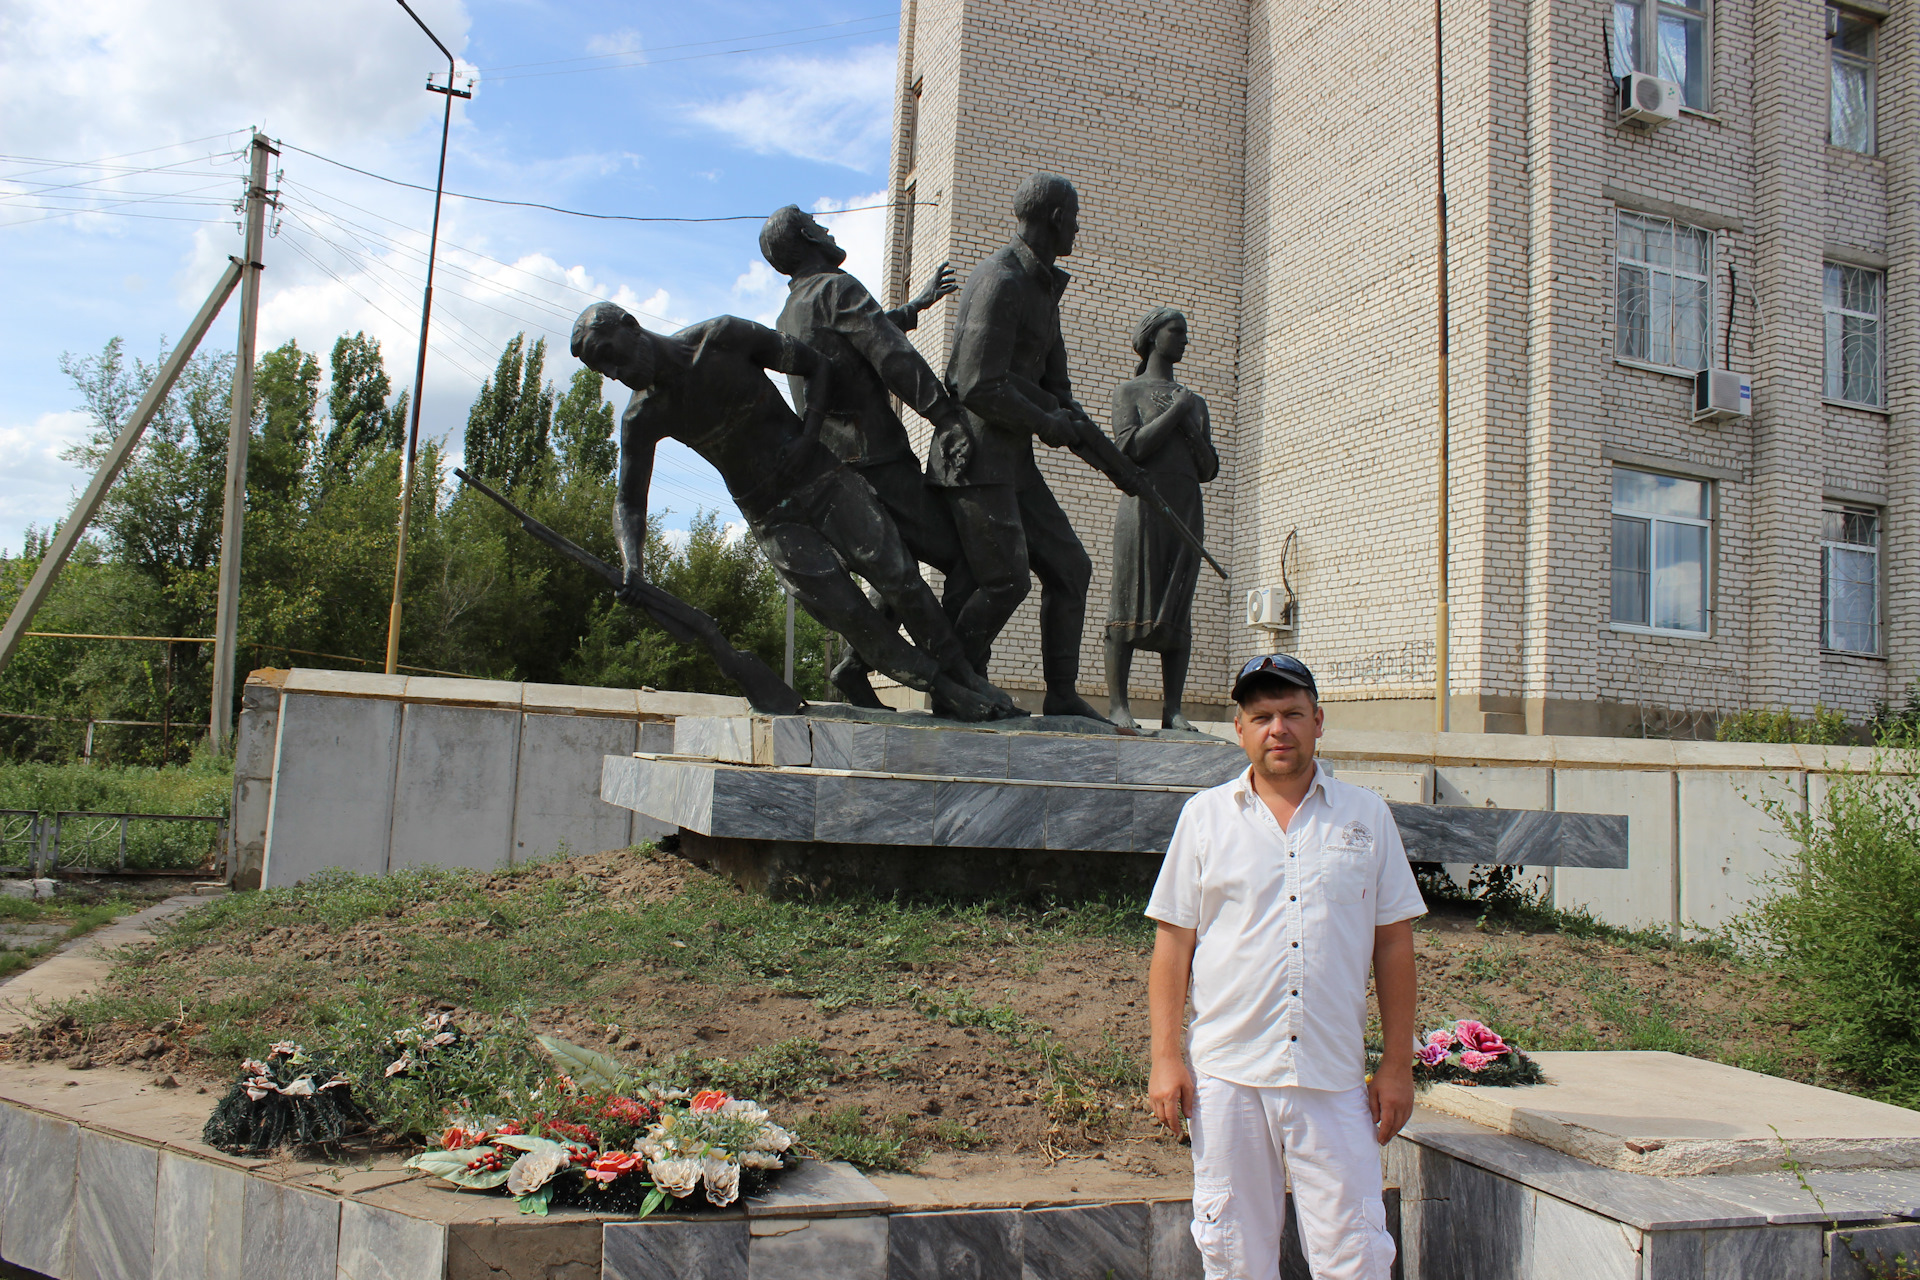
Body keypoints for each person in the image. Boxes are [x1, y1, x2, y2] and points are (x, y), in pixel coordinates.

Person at [569, 301, 1019, 722]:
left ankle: (964, 675)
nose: (613, 372)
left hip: (822, 478)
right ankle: (946, 687)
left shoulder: (722, 338)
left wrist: (810, 434)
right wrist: (633, 564)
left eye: (609, 355)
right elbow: (628, 500)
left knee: (899, 576)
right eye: (601, 368)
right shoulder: (643, 416)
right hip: (772, 519)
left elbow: (815, 365)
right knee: (851, 616)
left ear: (630, 325)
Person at [1145, 654, 1424, 1280]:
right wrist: (1167, 1057)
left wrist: (1397, 1065)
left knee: (1355, 1254)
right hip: (1227, 1077)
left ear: (1318, 722)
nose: (1279, 729)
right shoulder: (1206, 817)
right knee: (1234, 1256)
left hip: (1331, 1077)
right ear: (1240, 729)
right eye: (1263, 716)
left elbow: (1393, 945)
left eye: (1293, 713)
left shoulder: (1365, 816)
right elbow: (1173, 944)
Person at [758, 205, 979, 709]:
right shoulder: (838, 288)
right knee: (965, 557)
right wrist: (945, 416)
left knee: (893, 569)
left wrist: (913, 308)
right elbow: (889, 355)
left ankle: (854, 669)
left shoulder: (792, 309)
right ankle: (961, 677)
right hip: (876, 460)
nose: (828, 228)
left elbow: (852, 344)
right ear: (808, 236)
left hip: (836, 468)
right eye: (817, 223)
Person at [931, 173, 1104, 721]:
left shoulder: (1045, 289)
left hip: (1014, 461)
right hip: (976, 458)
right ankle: (954, 681)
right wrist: (1047, 422)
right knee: (1005, 580)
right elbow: (976, 383)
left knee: (1071, 567)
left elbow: (1058, 390)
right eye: (1074, 216)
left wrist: (1092, 439)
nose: (1078, 226)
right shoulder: (1000, 280)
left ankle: (1062, 694)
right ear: (1055, 218)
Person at [1104, 307, 1218, 732]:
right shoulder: (1129, 393)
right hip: (1144, 506)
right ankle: (1118, 705)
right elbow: (1130, 449)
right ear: (1154, 336)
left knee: (1178, 604)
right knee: (1130, 600)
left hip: (1185, 507)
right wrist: (1175, 414)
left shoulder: (1197, 403)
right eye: (1178, 332)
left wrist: (1190, 425)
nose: (1185, 339)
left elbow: (1208, 468)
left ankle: (1173, 709)